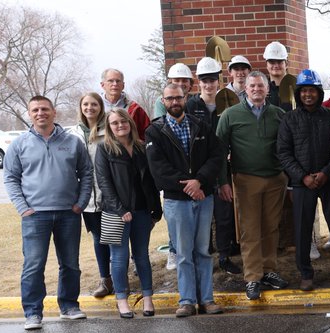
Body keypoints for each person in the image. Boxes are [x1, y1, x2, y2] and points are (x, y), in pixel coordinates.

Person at [5, 95, 93, 330]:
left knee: (70, 264)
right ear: (29, 114)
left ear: (54, 112)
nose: (40, 113)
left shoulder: (73, 142)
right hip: (35, 216)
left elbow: (86, 173)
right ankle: (33, 313)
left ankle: (69, 306)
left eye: (45, 109)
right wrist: (23, 208)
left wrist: (81, 203)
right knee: (34, 265)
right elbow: (11, 179)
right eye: (35, 110)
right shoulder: (19, 144)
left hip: (68, 213)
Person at [147, 83, 226, 317]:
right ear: (163, 100)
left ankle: (207, 299)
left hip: (204, 197)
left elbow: (216, 155)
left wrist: (200, 181)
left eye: (178, 98)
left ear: (185, 98)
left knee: (202, 251)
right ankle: (187, 300)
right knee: (183, 253)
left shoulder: (200, 125)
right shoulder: (155, 131)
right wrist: (191, 186)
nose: (174, 102)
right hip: (176, 201)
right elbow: (159, 170)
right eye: (170, 98)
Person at [217, 71, 291, 300]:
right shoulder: (230, 115)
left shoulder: (278, 114)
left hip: (275, 179)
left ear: (267, 89)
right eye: (252, 86)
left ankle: (269, 270)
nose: (256, 89)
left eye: (261, 86)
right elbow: (219, 152)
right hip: (246, 180)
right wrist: (223, 182)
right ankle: (252, 277)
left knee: (270, 227)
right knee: (250, 230)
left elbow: (287, 146)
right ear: (245, 89)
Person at [277, 69, 330, 291]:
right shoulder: (289, 119)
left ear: (318, 92)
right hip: (302, 183)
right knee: (303, 229)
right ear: (299, 93)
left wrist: (327, 172)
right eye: (304, 91)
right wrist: (302, 176)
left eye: (312, 90)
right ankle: (306, 274)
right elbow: (284, 153)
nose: (308, 95)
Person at [95, 108, 163, 318]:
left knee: (142, 256)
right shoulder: (105, 149)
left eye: (123, 122)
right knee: (119, 257)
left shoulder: (142, 147)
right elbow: (104, 182)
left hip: (142, 211)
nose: (120, 126)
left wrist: (156, 210)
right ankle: (122, 300)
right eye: (114, 123)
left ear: (130, 123)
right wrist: (120, 209)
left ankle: (148, 299)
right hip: (116, 212)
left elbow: (150, 181)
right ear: (109, 127)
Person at [185, 58, 244, 275]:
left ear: (218, 82)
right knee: (201, 215)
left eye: (212, 80)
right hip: (200, 170)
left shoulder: (228, 102)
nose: (209, 85)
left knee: (223, 214)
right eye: (204, 81)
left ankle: (225, 256)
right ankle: (203, 257)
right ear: (198, 82)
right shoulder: (192, 105)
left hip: (222, 167)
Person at [74, 92, 113, 298]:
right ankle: (105, 280)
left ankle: (119, 278)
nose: (90, 108)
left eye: (94, 104)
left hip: (110, 195)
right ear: (81, 107)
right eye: (86, 104)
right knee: (98, 239)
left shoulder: (109, 129)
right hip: (88, 198)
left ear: (100, 107)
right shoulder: (74, 133)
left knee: (114, 239)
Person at [100, 68, 151, 139]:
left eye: (118, 81)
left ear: (123, 85)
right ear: (102, 85)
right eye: (110, 81)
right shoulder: (95, 108)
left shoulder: (134, 109)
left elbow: (148, 133)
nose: (115, 84)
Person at [264, 41, 296, 111]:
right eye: (272, 62)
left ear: (286, 64)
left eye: (279, 62)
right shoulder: (262, 89)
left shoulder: (296, 88)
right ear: (267, 65)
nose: (276, 66)